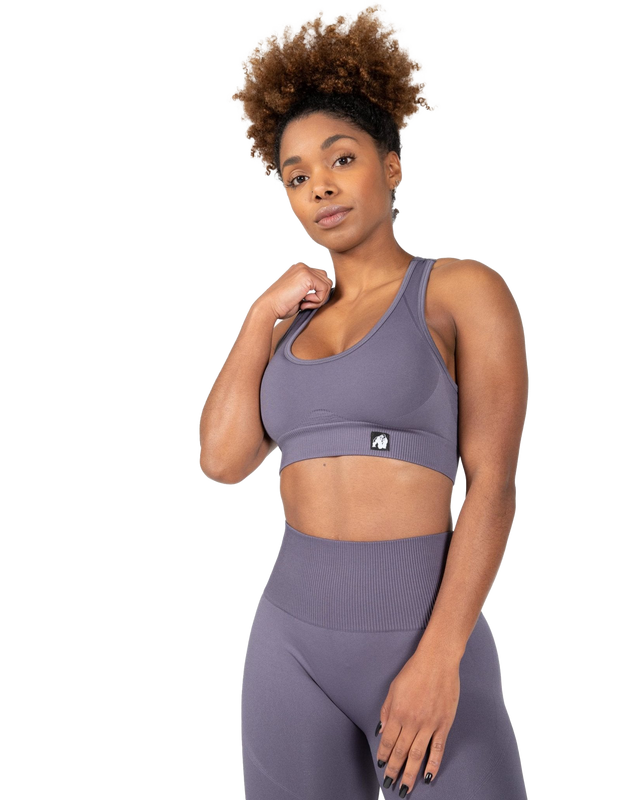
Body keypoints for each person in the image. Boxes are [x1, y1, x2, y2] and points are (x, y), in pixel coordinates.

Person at [199, 2, 531, 797]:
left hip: (424, 634)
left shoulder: (461, 289)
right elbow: (221, 461)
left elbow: (493, 486)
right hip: (289, 646)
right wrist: (258, 315)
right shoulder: (287, 322)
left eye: (340, 159)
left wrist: (441, 656)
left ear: (392, 164)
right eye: (296, 177)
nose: (319, 187)